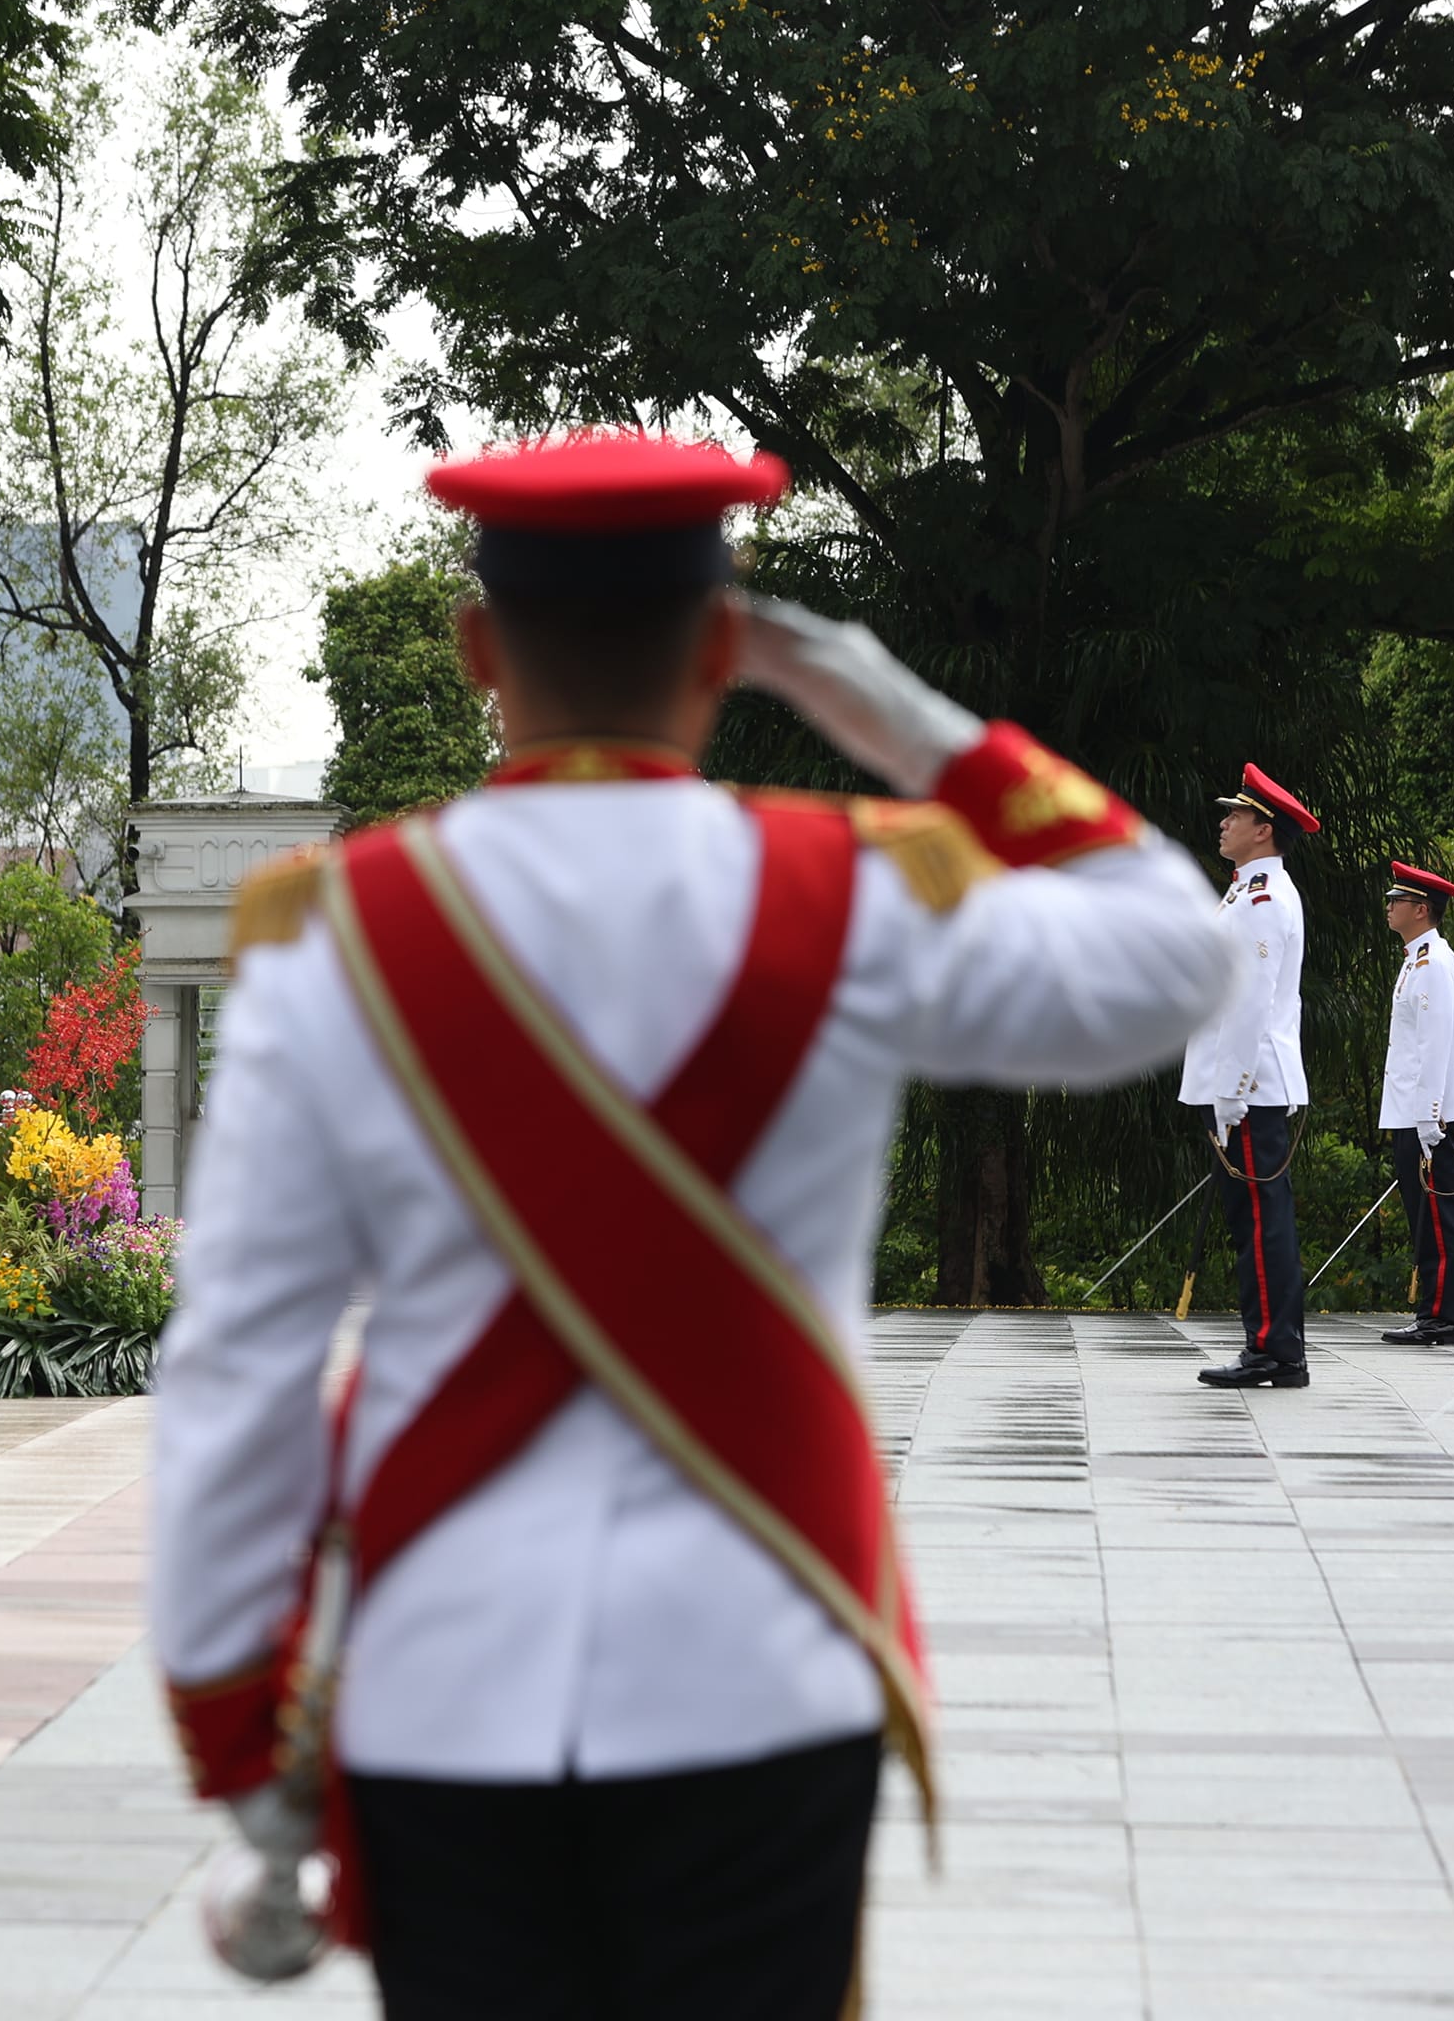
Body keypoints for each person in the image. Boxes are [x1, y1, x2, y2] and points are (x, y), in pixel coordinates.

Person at [147, 430, 1238, 2020]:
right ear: (727, 653)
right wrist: (886, 708)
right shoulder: (856, 892)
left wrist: (241, 1735)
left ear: (476, 652)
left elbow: (238, 1372)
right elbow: (1176, 953)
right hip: (755, 1665)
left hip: (448, 1680)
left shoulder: (337, 936)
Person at [1182, 764, 1317, 1389]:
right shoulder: (1245, 890)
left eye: (1234, 815)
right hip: (1243, 1086)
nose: (1224, 822)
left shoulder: (1263, 899)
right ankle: (1275, 1346)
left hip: (1251, 1087)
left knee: (1263, 1223)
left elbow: (1250, 1002)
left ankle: (1273, 1349)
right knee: (1257, 1219)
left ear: (1264, 830)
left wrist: (1231, 1091)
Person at [1379, 862, 1454, 1346]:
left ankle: (1441, 1318)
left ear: (1421, 909)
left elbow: (1437, 1044)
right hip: (1412, 1110)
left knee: (1437, 1218)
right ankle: (1432, 1313)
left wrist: (1429, 1115)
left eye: (1398, 899)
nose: (1389, 905)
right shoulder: (1417, 958)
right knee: (1425, 1216)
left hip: (1427, 1115)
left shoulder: (1434, 962)